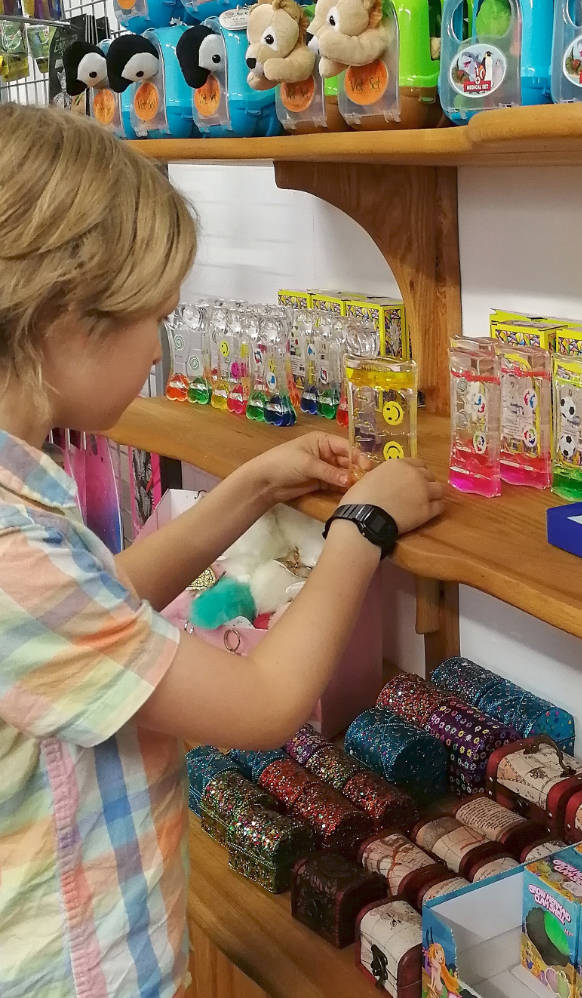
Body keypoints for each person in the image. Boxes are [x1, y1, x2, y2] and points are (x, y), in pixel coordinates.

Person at [0, 103, 444, 998]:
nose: (161, 344)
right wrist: (363, 526)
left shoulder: (24, 525)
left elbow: (103, 603)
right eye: (153, 318)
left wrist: (253, 487)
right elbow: (265, 703)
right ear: (69, 321)